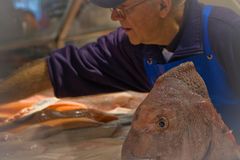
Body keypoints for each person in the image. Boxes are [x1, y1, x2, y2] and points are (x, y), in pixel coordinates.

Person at [0, 0, 240, 142]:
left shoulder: (226, 33)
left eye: (122, 6)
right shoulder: (134, 48)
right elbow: (58, 69)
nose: (114, 15)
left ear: (163, 4)